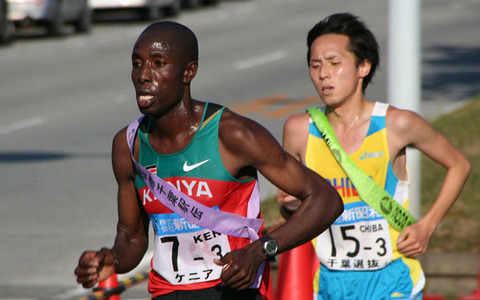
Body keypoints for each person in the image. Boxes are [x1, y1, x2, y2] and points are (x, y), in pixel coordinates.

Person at [74, 21, 343, 300]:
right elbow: (132, 237)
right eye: (137, 63)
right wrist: (113, 259)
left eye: (158, 63)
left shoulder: (231, 134)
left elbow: (326, 200)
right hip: (168, 293)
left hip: (234, 292)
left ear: (188, 72)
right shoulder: (128, 145)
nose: (144, 75)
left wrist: (259, 251)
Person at [277, 12, 471, 300]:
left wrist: (426, 226)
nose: (323, 74)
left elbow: (459, 164)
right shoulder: (298, 131)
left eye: (334, 63)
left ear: (363, 67)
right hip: (332, 282)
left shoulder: (396, 124)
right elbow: (287, 208)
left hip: (392, 277)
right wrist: (291, 207)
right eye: (315, 65)